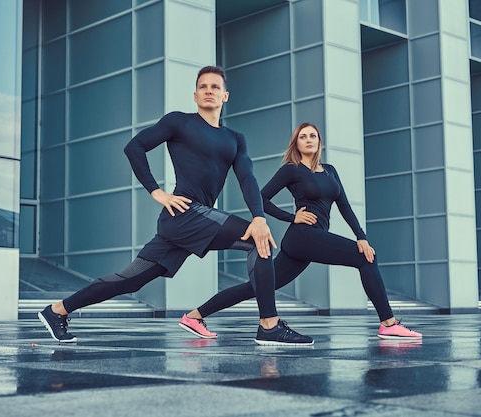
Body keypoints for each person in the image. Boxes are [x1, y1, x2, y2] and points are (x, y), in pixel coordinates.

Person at [38, 66, 313, 346]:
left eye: (215, 87)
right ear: (195, 95)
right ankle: (269, 325)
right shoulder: (179, 122)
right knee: (257, 240)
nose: (209, 91)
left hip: (189, 221)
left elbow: (247, 178)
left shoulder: (234, 139)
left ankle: (57, 310)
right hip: (184, 214)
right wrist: (156, 192)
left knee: (131, 279)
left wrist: (259, 216)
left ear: (225, 96)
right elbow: (135, 147)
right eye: (203, 87)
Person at [179, 122, 422, 341]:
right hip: (302, 237)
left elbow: (344, 206)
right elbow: (260, 198)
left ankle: (194, 316)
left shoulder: (330, 171)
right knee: (365, 259)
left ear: (319, 142)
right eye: (303, 136)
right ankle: (388, 324)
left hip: (308, 242)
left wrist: (362, 237)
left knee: (257, 286)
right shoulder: (291, 169)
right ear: (296, 143)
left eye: (313, 136)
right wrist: (291, 216)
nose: (308, 139)